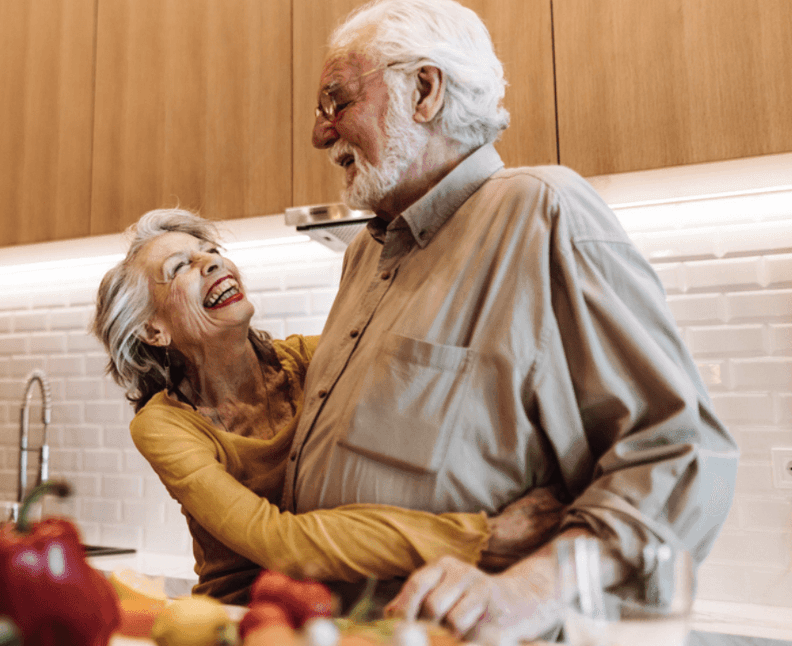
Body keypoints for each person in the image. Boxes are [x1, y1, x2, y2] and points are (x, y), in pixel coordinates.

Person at [287, 0, 738, 638]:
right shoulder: (365, 253)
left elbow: (679, 454)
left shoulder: (544, 212)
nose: (320, 133)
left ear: (424, 91)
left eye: (336, 102)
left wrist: (531, 588)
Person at [91, 208, 563, 604]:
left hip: (335, 605)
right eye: (180, 267)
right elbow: (280, 542)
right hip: (239, 617)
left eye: (210, 251)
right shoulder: (163, 425)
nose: (211, 262)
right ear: (153, 331)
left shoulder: (311, 361)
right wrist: (481, 537)